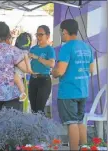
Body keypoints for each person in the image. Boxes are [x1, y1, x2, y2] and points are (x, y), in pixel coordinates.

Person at [51, 19, 94, 150]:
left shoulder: (67, 47)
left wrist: (53, 71)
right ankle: (85, 148)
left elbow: (60, 71)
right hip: (83, 91)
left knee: (72, 123)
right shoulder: (87, 47)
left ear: (64, 31)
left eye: (61, 32)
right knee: (80, 121)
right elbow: (91, 70)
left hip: (69, 92)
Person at [28, 25, 56, 113]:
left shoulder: (49, 49)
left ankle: (40, 126)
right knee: (33, 109)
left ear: (47, 36)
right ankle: (34, 126)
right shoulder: (33, 48)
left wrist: (37, 57)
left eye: (41, 35)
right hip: (33, 79)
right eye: (37, 35)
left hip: (44, 80)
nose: (38, 37)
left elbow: (51, 64)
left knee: (40, 109)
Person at [14, 32, 33, 101]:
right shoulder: (25, 51)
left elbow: (27, 62)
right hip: (18, 71)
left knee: (17, 79)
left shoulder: (23, 52)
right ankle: (22, 92)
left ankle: (22, 93)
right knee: (19, 81)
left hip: (18, 71)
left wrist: (29, 69)